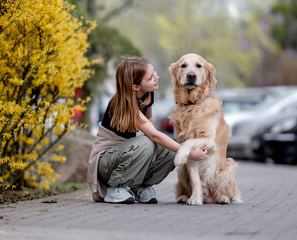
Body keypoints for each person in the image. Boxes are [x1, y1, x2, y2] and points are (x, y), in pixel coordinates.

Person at [87, 56, 208, 204]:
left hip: (128, 151)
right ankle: (115, 187)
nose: (157, 77)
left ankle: (140, 186)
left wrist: (161, 151)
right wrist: (188, 152)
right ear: (136, 86)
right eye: (150, 78)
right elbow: (154, 135)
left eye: (154, 73)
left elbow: (150, 121)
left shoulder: (147, 93)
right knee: (149, 143)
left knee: (170, 150)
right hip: (106, 162)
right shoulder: (124, 103)